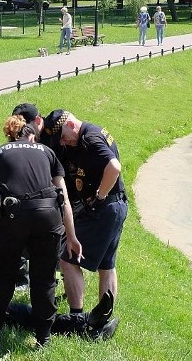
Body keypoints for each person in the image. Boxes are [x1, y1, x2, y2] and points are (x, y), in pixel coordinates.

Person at [0, 114, 82, 346]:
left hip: (13, 214)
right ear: (33, 137)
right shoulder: (48, 153)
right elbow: (63, 198)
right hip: (48, 216)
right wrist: (72, 236)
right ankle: (43, 338)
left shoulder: (0, 153)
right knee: (45, 278)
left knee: (3, 275)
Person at [41, 110, 128, 318]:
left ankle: (76, 316)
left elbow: (114, 167)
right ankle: (105, 317)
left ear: (70, 124)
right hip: (116, 207)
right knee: (107, 264)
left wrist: (99, 195)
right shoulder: (85, 136)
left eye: (62, 136)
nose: (62, 142)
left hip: (104, 208)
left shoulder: (90, 138)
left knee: (69, 259)